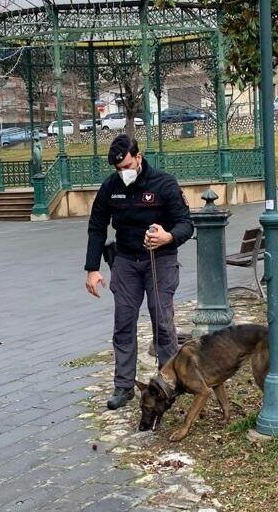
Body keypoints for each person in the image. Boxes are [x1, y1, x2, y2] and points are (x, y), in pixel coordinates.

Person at [85, 134, 194, 410]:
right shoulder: (110, 187)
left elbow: (186, 223)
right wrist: (92, 269)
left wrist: (168, 236)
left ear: (139, 157)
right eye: (118, 169)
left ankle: (169, 383)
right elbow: (97, 226)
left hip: (160, 260)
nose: (123, 172)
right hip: (125, 261)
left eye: (127, 166)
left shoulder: (164, 183)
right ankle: (123, 386)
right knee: (123, 324)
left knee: (162, 323)